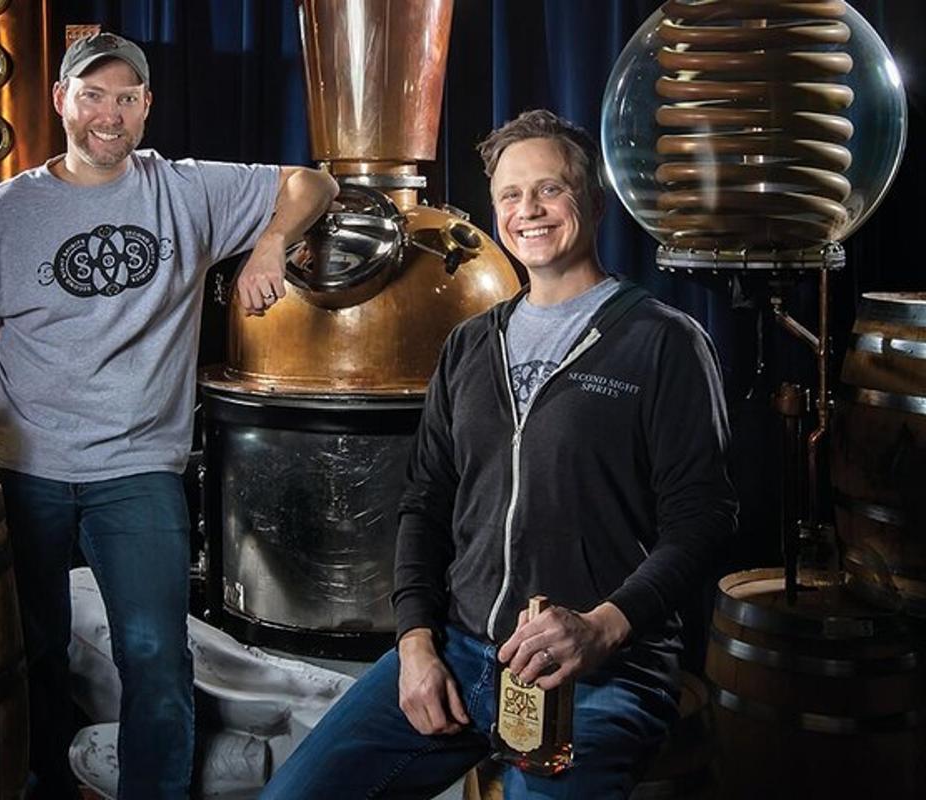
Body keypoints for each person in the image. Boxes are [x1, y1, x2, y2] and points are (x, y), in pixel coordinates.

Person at [260, 109, 736, 799]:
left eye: (550, 190)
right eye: (510, 196)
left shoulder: (663, 342)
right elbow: (425, 503)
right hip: (457, 652)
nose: (528, 211)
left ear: (593, 204)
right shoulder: (471, 344)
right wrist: (416, 642)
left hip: (599, 674)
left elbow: (704, 521)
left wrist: (602, 629)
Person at [0, 32, 337, 800]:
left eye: (125, 98)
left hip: (136, 468)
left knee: (155, 658)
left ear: (146, 107)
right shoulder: (10, 210)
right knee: (30, 654)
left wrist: (270, 244)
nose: (108, 115)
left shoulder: (184, 189)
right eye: (92, 96)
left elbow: (312, 184)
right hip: (23, 463)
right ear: (61, 102)